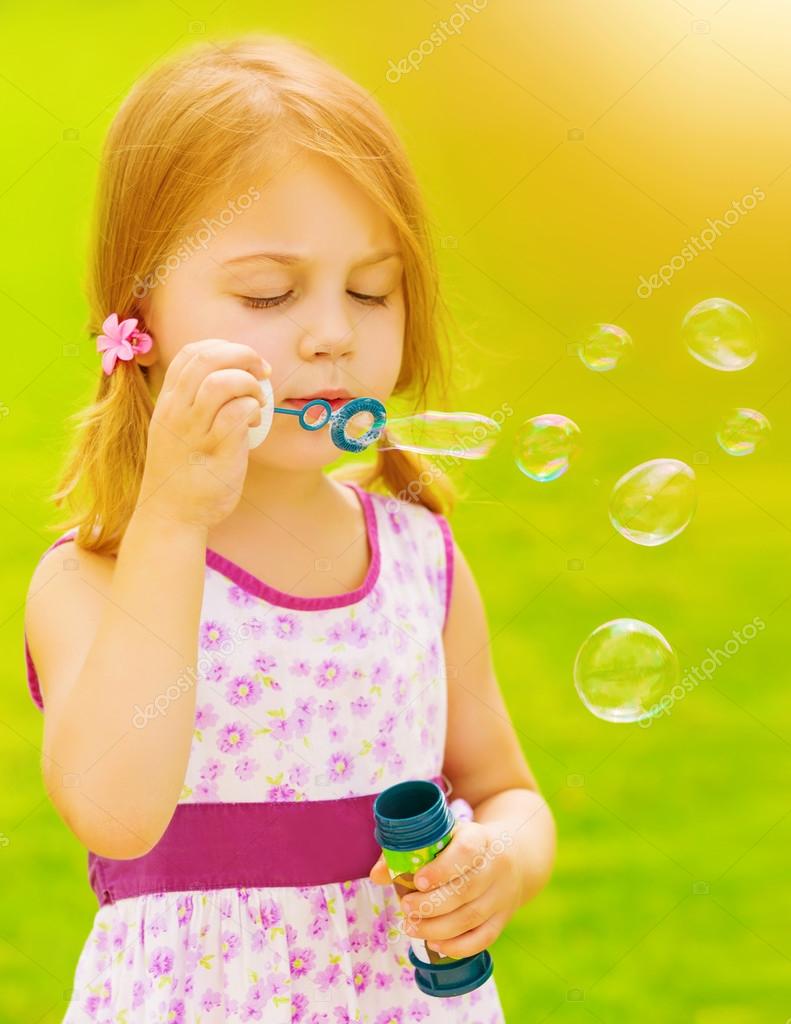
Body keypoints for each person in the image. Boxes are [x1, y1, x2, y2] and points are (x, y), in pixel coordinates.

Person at [23, 34, 556, 1022]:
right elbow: (116, 812)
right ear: (139, 319)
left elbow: (506, 788)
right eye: (269, 293)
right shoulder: (93, 574)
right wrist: (175, 516)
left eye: (369, 288)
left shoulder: (415, 557)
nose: (331, 334)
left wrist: (503, 863)